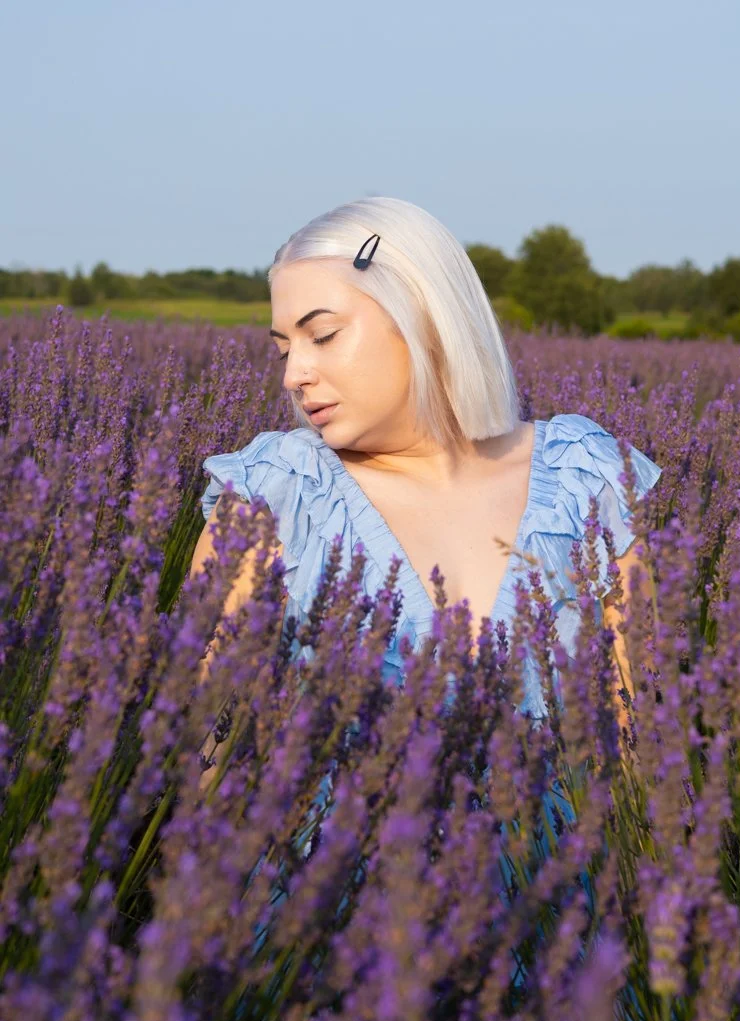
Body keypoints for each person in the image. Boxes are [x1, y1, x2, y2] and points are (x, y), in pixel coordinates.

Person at [190, 193, 661, 791]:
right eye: (284, 348)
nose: (293, 374)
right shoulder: (273, 498)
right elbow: (212, 753)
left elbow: (641, 736)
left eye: (324, 336)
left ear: (424, 316)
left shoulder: (585, 477)